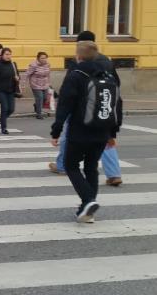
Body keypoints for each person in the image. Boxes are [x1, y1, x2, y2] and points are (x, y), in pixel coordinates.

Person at [51, 41, 122, 223]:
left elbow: (65, 104)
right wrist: (113, 133)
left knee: (71, 165)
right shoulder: (107, 74)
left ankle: (89, 200)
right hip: (102, 130)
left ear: (79, 56)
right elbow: (116, 104)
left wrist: (56, 130)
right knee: (91, 167)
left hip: (80, 130)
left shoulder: (76, 74)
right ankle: (87, 212)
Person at [25, 51, 51, 120]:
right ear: (38, 58)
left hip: (45, 84)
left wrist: (49, 83)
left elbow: (48, 74)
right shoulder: (33, 65)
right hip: (35, 84)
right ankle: (39, 114)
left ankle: (36, 105)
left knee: (45, 98)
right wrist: (24, 83)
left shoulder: (48, 64)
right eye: (42, 58)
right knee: (40, 97)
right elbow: (27, 74)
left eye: (45, 58)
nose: (44, 59)